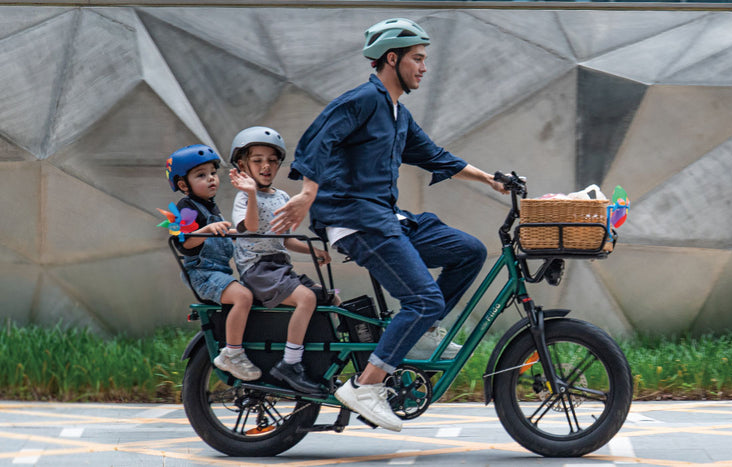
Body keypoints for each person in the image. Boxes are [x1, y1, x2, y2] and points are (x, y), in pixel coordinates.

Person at [270, 18, 507, 431]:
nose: (423, 67)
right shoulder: (363, 99)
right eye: (417, 59)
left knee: (468, 251)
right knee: (423, 299)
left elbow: (435, 155)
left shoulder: (398, 113)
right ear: (392, 59)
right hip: (355, 219)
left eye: (425, 60)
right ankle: (366, 384)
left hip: (385, 217)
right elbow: (318, 139)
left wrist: (490, 178)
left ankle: (421, 332)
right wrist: (308, 193)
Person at [229, 126, 337, 394]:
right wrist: (252, 193)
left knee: (329, 297)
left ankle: (328, 357)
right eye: (257, 160)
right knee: (307, 298)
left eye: (272, 160)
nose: (266, 166)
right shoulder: (243, 198)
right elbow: (251, 226)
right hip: (258, 270)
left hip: (280, 266)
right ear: (243, 165)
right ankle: (290, 364)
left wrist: (313, 251)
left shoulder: (282, 197)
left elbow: (285, 239)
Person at [166, 144, 261, 381]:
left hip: (219, 272)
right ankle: (233, 353)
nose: (211, 179)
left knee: (253, 294)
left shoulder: (210, 207)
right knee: (243, 297)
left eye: (212, 173)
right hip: (202, 273)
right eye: (201, 175)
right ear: (183, 185)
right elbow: (182, 243)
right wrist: (208, 229)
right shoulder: (186, 207)